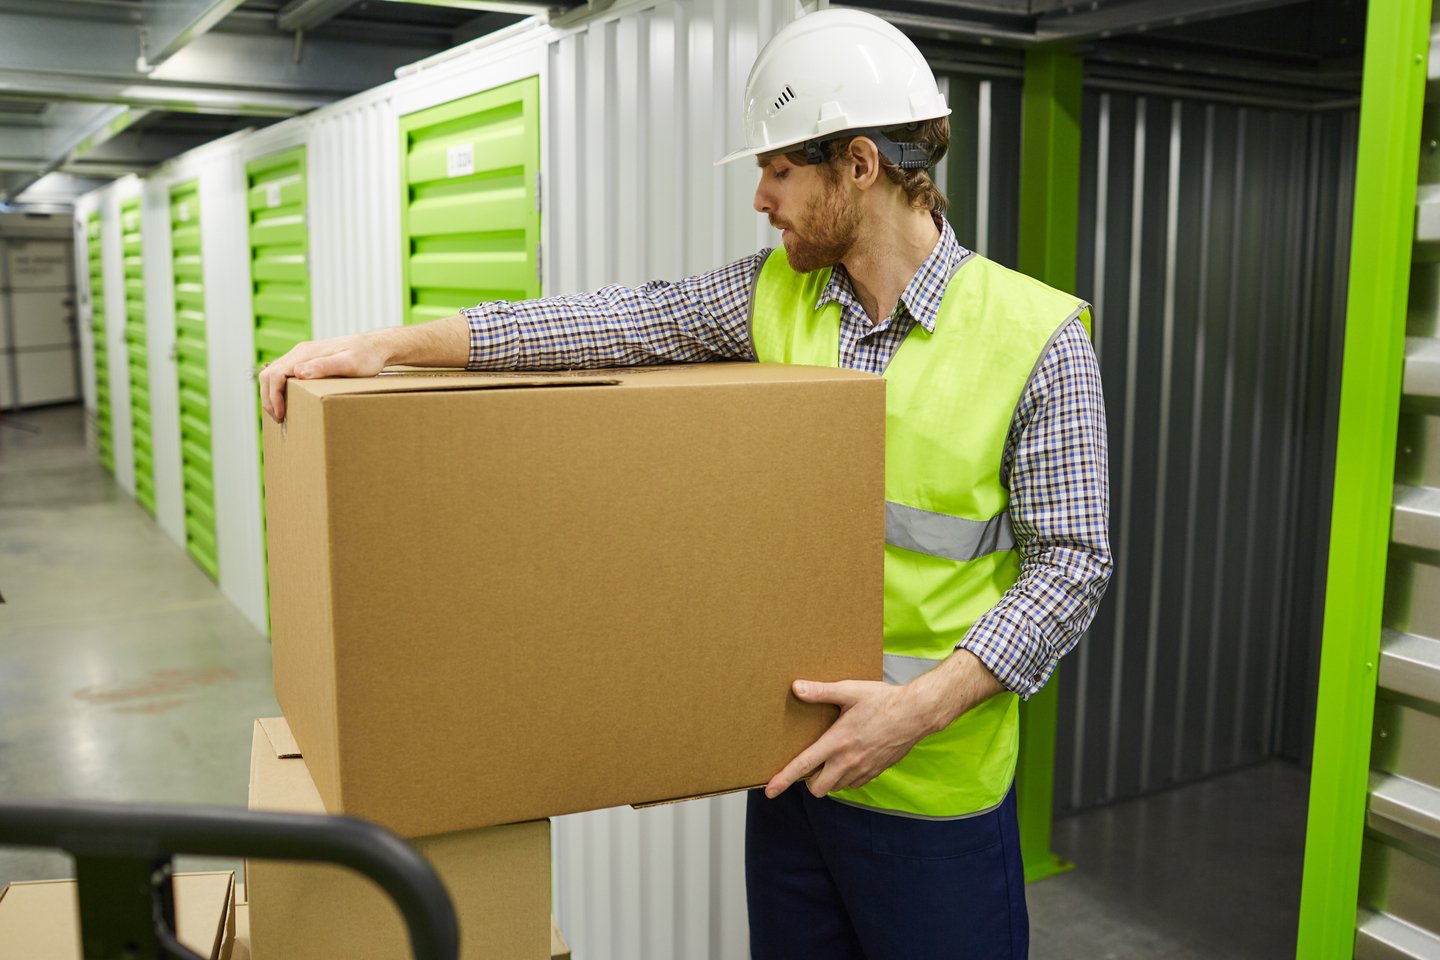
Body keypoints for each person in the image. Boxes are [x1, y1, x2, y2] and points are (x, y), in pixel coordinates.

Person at [260, 9, 1111, 957]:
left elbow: (1070, 569)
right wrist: (392, 346)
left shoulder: (1035, 340)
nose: (760, 197)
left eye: (779, 169)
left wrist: (912, 713)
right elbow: (606, 325)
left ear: (860, 165)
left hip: (935, 797)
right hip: (792, 783)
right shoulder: (774, 296)